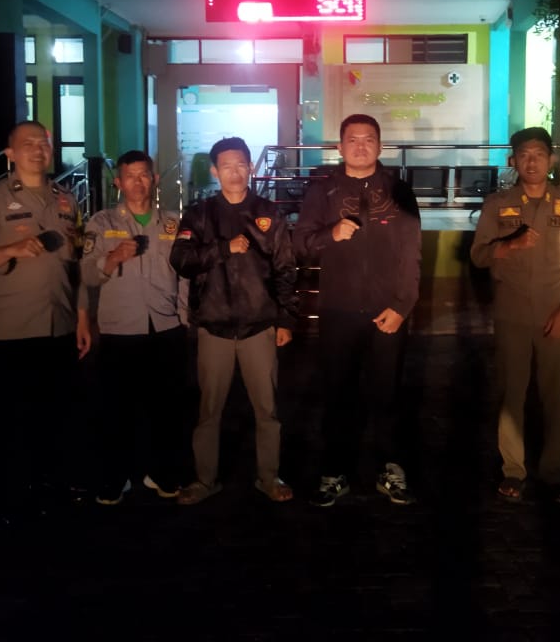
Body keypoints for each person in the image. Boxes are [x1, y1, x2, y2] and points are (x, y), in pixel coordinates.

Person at [0, 120, 91, 531]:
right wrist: (10, 249)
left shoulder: (66, 199)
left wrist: (82, 317)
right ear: (10, 154)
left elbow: (77, 263)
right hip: (10, 333)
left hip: (59, 328)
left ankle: (45, 489)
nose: (38, 149)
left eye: (43, 142)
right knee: (3, 423)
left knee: (52, 417)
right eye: (28, 143)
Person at [294, 114, 423, 507]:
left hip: (388, 312)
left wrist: (402, 306)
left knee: (388, 394)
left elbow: (412, 253)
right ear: (340, 147)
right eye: (353, 139)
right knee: (338, 394)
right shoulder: (323, 191)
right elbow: (300, 243)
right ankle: (336, 471)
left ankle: (390, 468)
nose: (361, 146)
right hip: (339, 310)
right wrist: (330, 234)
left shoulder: (399, 190)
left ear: (380, 146)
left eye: (369, 139)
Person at [469, 127, 560, 505]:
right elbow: (478, 255)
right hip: (512, 315)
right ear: (513, 160)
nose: (532, 161)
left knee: (556, 396)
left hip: (556, 314)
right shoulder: (498, 204)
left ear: (551, 160)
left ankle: (553, 472)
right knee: (511, 394)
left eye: (539, 153)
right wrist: (509, 245)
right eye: (524, 154)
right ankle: (513, 470)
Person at [169, 136, 298, 505]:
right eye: (226, 166)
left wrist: (286, 319)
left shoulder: (269, 213)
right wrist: (224, 248)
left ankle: (269, 477)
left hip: (260, 325)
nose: (235, 172)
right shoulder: (200, 214)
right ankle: (204, 479)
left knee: (267, 410)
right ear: (215, 171)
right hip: (214, 326)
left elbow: (286, 269)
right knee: (209, 410)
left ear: (251, 167)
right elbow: (181, 260)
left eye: (241, 164)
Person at [80, 150, 190, 505]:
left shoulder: (173, 222)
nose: (138, 182)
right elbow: (86, 275)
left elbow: (185, 275)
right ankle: (115, 478)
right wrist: (113, 257)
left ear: (155, 179)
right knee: (116, 410)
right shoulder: (101, 222)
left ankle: (163, 473)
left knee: (167, 409)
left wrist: (184, 319)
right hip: (120, 330)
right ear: (118, 182)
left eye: (144, 175)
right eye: (130, 176)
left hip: (166, 327)